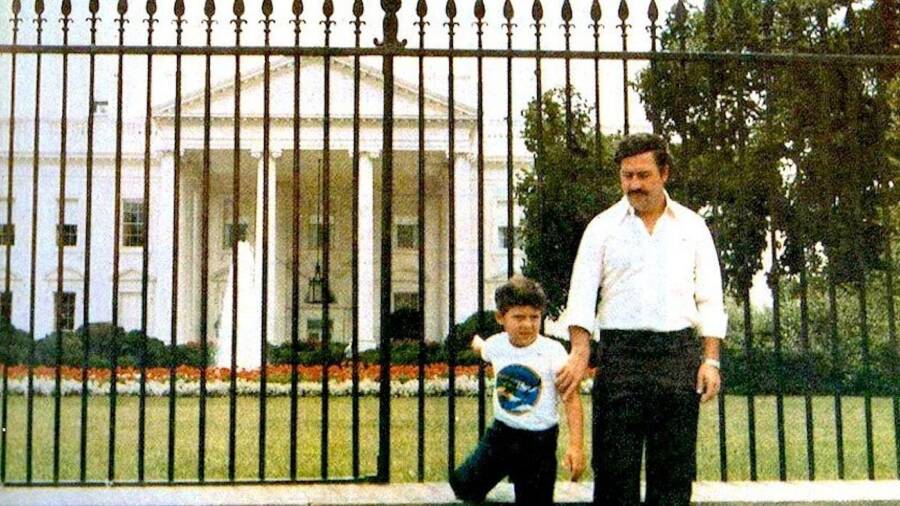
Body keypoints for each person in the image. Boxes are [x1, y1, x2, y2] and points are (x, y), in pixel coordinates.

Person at [555, 133, 727, 505]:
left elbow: (710, 296)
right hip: (620, 359)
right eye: (627, 175)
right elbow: (581, 295)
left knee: (673, 475)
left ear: (664, 173)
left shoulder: (693, 227)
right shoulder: (601, 228)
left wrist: (710, 360)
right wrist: (580, 351)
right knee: (614, 473)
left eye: (643, 175)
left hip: (677, 357)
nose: (634, 184)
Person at [449, 275, 585, 505]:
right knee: (463, 486)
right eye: (519, 317)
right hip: (501, 435)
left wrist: (576, 447)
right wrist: (474, 341)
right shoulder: (497, 344)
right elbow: (482, 348)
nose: (527, 325)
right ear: (500, 318)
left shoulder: (553, 352)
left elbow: (571, 400)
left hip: (539, 443)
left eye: (534, 317)